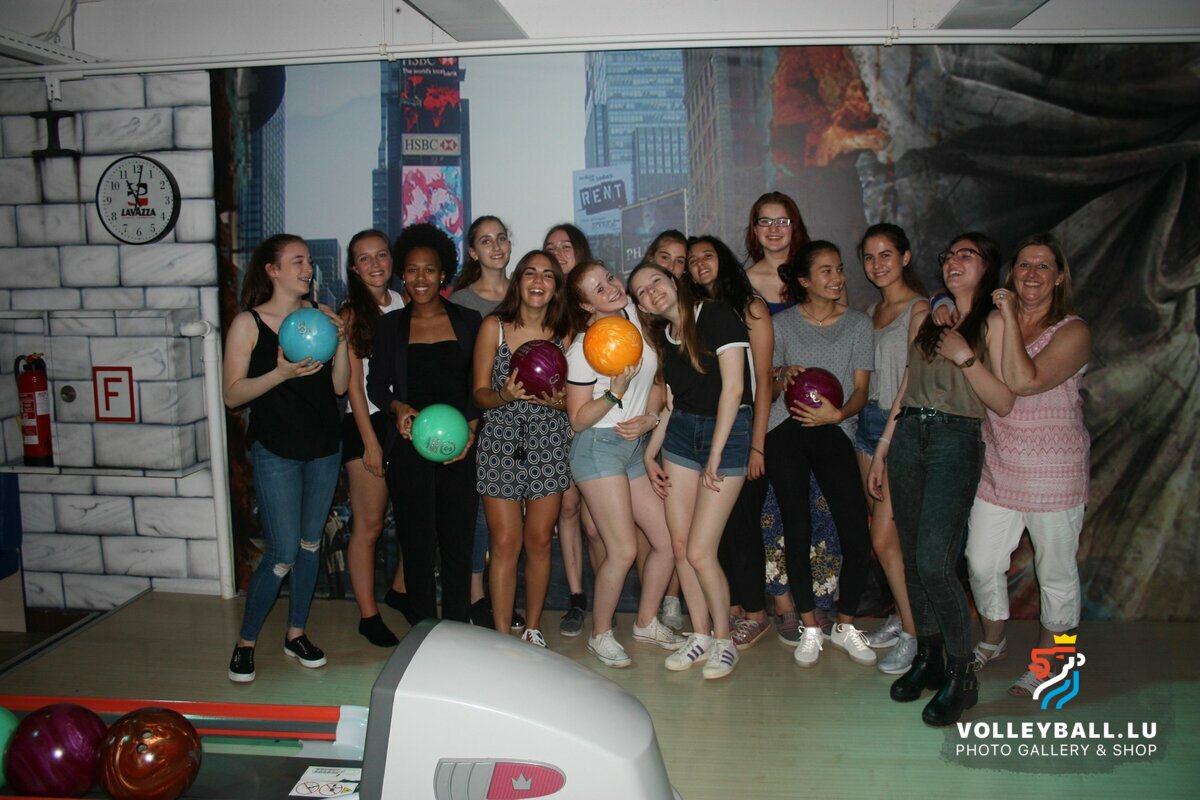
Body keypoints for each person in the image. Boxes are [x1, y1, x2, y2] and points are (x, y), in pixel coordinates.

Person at [868, 232, 1015, 727]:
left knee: (935, 561)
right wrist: (884, 447)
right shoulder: (929, 315)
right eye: (949, 255)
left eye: (966, 255)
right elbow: (907, 385)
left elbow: (1004, 400)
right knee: (913, 559)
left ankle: (961, 672)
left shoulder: (994, 321)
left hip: (956, 438)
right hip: (910, 435)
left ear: (987, 265)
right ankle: (929, 657)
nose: (954, 261)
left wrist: (964, 355)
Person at [963, 233, 1091, 697]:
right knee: (980, 563)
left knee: (1055, 573)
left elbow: (1024, 380)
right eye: (1024, 265)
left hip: (1055, 473)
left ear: (1058, 277)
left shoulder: (1074, 331)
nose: (1032, 274)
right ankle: (994, 640)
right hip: (1000, 465)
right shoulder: (997, 321)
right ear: (1011, 273)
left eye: (1043, 266)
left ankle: (1052, 662)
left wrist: (1010, 319)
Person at [223, 234, 349, 683]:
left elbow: (339, 386)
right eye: (297, 261)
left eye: (309, 261)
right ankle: (246, 643)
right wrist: (279, 372)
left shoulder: (320, 317)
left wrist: (342, 341)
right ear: (272, 270)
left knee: (310, 544)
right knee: (281, 551)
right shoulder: (249, 323)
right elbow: (232, 395)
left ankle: (296, 633)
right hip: (276, 450)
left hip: (323, 447)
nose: (307, 269)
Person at [630, 263, 753, 680]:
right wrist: (651, 452)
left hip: (728, 432)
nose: (652, 292)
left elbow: (734, 389)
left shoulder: (716, 315)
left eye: (656, 282)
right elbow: (674, 404)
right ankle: (700, 635)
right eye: (642, 292)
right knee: (680, 545)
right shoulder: (664, 339)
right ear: (643, 307)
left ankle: (724, 640)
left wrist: (716, 451)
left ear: (674, 281)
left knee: (701, 551)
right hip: (682, 435)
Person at [564, 261, 685, 667]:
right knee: (622, 550)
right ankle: (600, 634)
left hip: (633, 447)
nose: (611, 288)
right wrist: (614, 393)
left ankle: (646, 622)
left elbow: (657, 381)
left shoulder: (635, 314)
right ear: (586, 306)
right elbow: (577, 419)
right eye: (598, 289)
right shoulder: (583, 348)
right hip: (597, 448)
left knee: (667, 542)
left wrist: (651, 417)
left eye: (610, 278)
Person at [767, 240, 876, 668]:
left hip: (835, 430)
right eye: (826, 271)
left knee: (856, 534)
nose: (837, 278)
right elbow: (768, 387)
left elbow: (862, 389)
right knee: (796, 528)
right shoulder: (782, 324)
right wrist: (782, 374)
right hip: (786, 429)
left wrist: (839, 414)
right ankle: (810, 626)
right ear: (805, 280)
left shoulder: (859, 324)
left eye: (840, 269)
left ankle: (845, 624)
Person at [368, 223, 482, 626]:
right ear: (403, 273)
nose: (421, 278)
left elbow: (481, 383)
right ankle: (422, 630)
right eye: (413, 270)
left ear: (443, 273)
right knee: (416, 544)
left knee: (457, 543)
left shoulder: (469, 321)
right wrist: (397, 407)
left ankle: (456, 628)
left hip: (461, 447)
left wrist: (471, 430)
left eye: (429, 269)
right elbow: (376, 385)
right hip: (409, 448)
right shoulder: (390, 327)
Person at [473, 250, 573, 646]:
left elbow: (576, 401)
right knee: (504, 543)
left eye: (547, 275)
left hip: (549, 443)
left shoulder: (567, 334)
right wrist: (503, 395)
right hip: (499, 442)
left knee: (539, 541)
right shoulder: (493, 327)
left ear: (556, 287)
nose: (538, 281)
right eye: (530, 273)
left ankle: (532, 628)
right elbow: (479, 394)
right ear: (518, 281)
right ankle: (501, 636)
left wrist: (560, 403)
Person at [684, 235, 775, 650]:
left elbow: (762, 379)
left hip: (742, 430)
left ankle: (756, 613)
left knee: (742, 526)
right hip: (707, 430)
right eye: (692, 260)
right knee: (716, 532)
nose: (700, 263)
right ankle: (733, 608)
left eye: (708, 255)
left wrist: (757, 445)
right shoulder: (695, 313)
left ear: (723, 259)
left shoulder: (750, 307)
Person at [855, 224, 929, 674]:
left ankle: (915, 635)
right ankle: (903, 617)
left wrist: (886, 442)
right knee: (886, 539)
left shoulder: (919, 310)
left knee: (884, 539)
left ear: (905, 257)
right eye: (869, 257)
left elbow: (911, 380)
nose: (877, 264)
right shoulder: (872, 310)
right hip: (866, 424)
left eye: (886, 254)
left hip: (897, 427)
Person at [338, 229, 407, 647]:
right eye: (365, 258)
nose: (375, 264)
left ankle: (399, 590)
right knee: (370, 524)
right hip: (365, 422)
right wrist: (370, 442)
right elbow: (353, 387)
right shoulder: (350, 315)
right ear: (354, 268)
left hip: (400, 418)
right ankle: (368, 615)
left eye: (381, 255)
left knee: (418, 516)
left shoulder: (403, 302)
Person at [450, 215, 518, 629]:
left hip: (526, 421)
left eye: (502, 238)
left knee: (513, 522)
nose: (496, 247)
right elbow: (460, 370)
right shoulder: (460, 302)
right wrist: (470, 422)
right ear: (473, 252)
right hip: (478, 418)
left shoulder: (526, 292)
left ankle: (503, 596)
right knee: (478, 514)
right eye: (486, 241)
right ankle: (476, 596)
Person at [542, 223, 601, 637]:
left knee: (597, 524)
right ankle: (577, 599)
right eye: (551, 247)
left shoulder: (598, 300)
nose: (558, 253)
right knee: (567, 511)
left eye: (566, 246)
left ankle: (605, 600)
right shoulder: (543, 304)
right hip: (557, 423)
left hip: (597, 420)